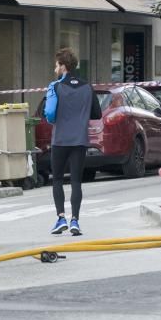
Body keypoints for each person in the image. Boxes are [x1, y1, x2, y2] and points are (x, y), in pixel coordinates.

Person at [44, 48, 102, 237]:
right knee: (76, 181)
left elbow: (50, 114)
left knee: (58, 179)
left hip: (60, 139)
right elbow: (97, 114)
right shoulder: (87, 87)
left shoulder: (55, 87)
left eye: (57, 65)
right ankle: (75, 220)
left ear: (63, 66)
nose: (55, 68)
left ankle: (61, 218)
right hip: (80, 140)